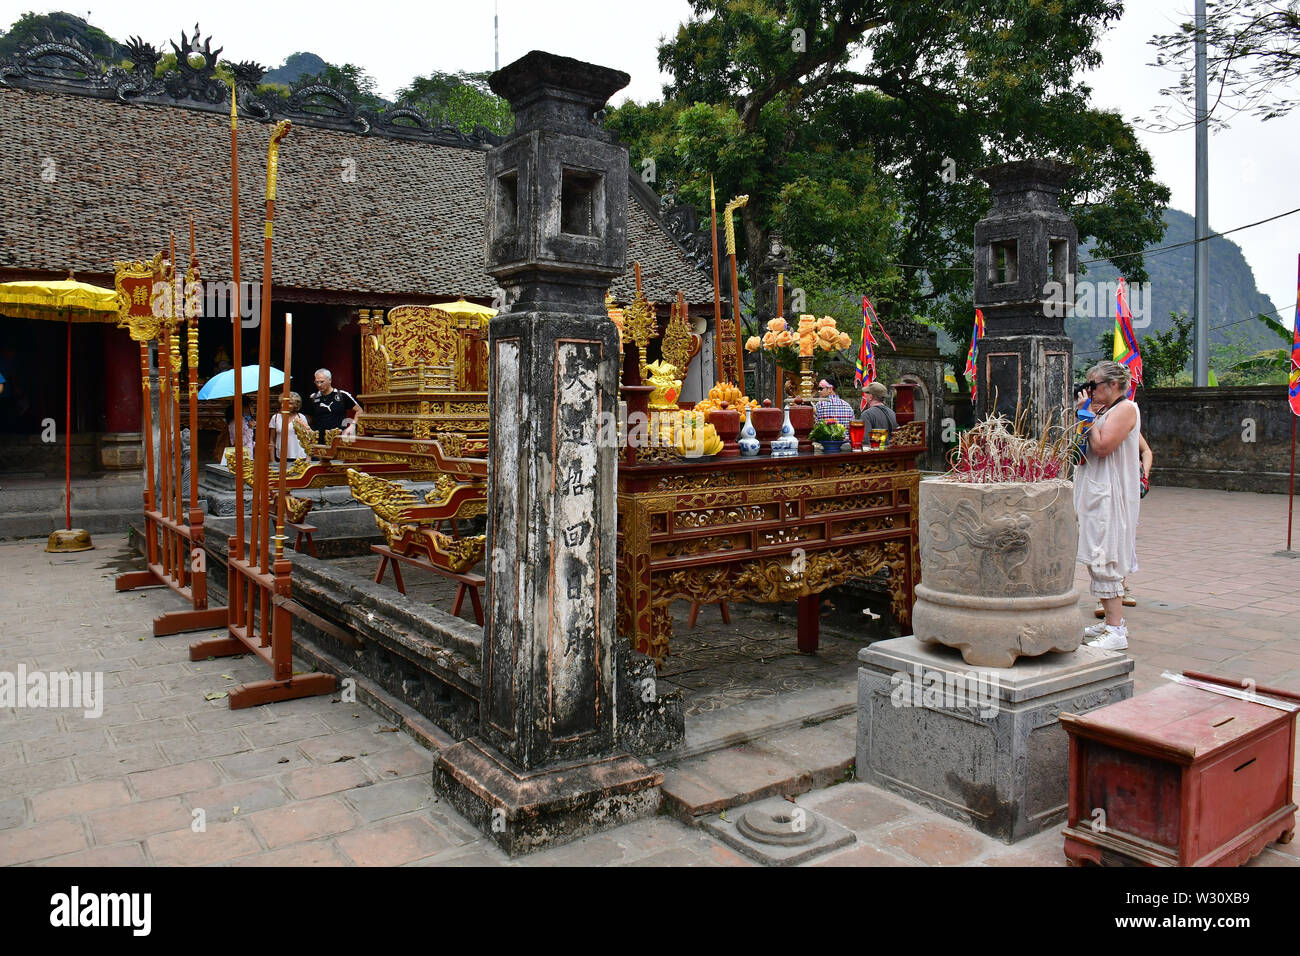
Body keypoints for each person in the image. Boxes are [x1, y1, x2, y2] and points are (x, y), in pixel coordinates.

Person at [1074, 360, 1141, 650]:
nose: (1090, 391)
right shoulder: (1102, 411)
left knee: (1105, 554)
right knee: (1094, 555)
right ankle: (1109, 623)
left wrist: (1086, 415)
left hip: (1110, 495)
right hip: (1093, 492)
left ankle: (1116, 629)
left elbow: (1102, 447)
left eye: (1094, 386)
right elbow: (1080, 452)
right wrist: (1083, 417)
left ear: (1114, 385)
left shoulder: (1126, 409)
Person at [1094, 431, 1152, 618]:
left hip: (1126, 489)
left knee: (1124, 538)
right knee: (1103, 540)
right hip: (1104, 488)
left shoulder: (1126, 420)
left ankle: (1120, 586)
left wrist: (1143, 474)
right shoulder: (1097, 424)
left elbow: (1146, 451)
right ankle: (1104, 596)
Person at [306, 368, 361, 437]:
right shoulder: (313, 398)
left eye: (322, 382)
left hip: (339, 436)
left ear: (330, 380)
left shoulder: (342, 395)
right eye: (317, 382)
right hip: (319, 438)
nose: (319, 385)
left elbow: (359, 410)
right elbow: (309, 417)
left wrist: (352, 426)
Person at [269, 391, 310, 462]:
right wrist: (273, 460)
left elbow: (308, 439)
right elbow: (272, 441)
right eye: (283, 403)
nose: (286, 405)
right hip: (281, 457)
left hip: (299, 456)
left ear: (295, 405)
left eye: (290, 403)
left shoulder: (301, 417)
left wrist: (308, 459)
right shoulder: (275, 418)